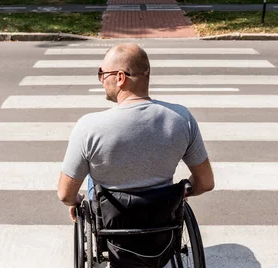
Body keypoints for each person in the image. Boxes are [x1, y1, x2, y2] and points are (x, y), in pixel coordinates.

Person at [58, 43, 214, 222]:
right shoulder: (182, 118)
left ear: (120, 78)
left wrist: (76, 201)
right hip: (162, 219)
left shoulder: (88, 126)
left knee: (93, 177)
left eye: (102, 73)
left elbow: (65, 194)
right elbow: (205, 182)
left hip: (113, 222)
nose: (101, 79)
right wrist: (180, 194)